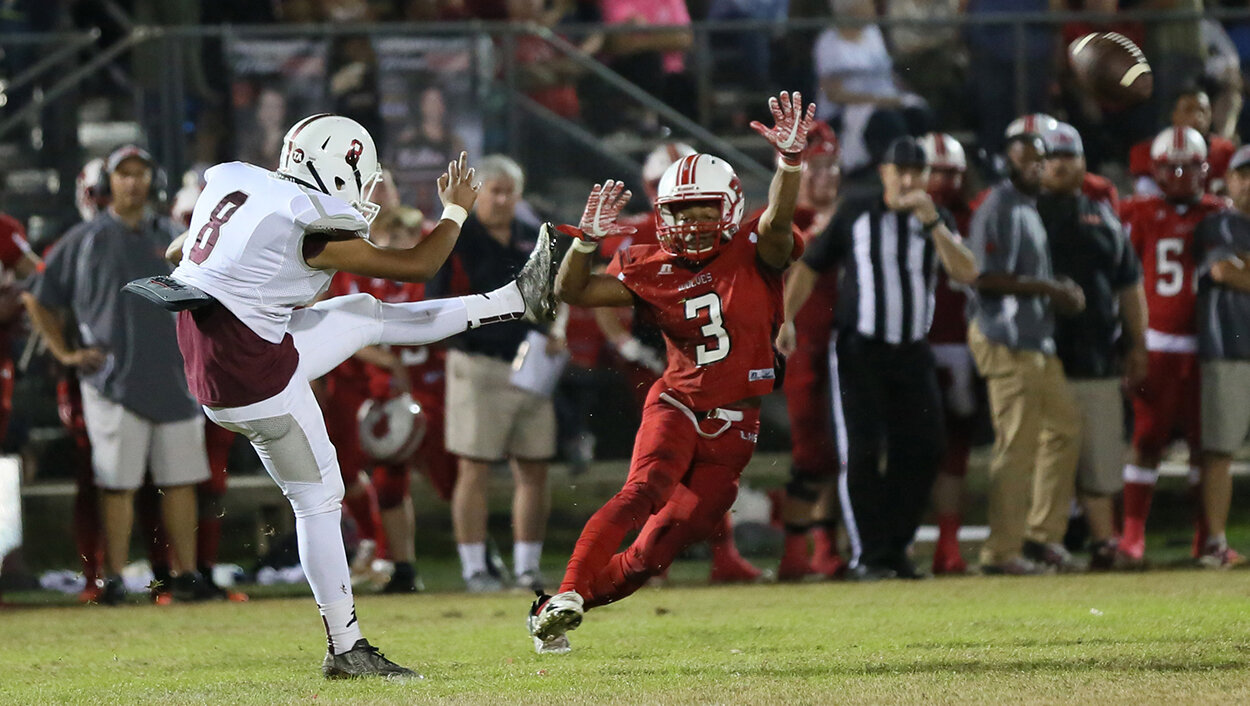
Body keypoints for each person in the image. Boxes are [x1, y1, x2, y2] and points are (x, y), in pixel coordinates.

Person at [159, 114, 558, 679]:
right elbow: (418, 265)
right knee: (319, 500)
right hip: (259, 379)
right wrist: (456, 210)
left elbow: (180, 248)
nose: (364, 187)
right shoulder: (309, 226)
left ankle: (516, 297)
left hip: (219, 367)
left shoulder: (236, 184)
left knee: (364, 314)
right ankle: (346, 647)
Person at [526, 91, 816, 654]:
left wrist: (789, 164)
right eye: (679, 211)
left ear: (730, 209)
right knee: (642, 491)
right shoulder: (650, 264)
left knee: (657, 550)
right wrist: (585, 241)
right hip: (679, 401)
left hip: (737, 422)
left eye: (703, 210)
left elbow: (780, 219)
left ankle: (560, 608)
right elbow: (572, 290)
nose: (689, 223)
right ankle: (565, 591)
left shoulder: (758, 247)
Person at [781, 136, 979, 580]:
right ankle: (869, 555)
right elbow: (811, 264)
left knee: (925, 448)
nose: (908, 178)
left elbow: (966, 272)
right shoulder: (857, 211)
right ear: (884, 173)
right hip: (860, 348)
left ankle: (896, 547)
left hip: (912, 350)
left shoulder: (935, 217)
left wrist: (934, 225)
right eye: (900, 170)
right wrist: (787, 319)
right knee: (864, 451)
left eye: (916, 171)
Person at [24, 145, 212, 605]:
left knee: (182, 480)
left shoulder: (173, 235)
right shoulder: (83, 239)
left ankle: (186, 576)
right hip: (112, 380)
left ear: (151, 181)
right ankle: (113, 578)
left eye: (140, 173)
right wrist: (65, 352)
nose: (133, 182)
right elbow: (39, 297)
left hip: (174, 376)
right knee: (116, 484)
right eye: (124, 174)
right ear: (110, 183)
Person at [592, 141, 766, 586]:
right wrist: (623, 342)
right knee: (660, 469)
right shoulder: (633, 234)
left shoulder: (725, 237)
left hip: (709, 352)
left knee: (708, 465)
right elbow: (596, 291)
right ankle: (648, 556)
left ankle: (704, 554)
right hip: (661, 353)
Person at [421, 155, 557, 595]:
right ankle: (475, 568)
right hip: (477, 364)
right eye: (493, 191)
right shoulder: (456, 238)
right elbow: (433, 301)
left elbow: (558, 293)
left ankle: (526, 568)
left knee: (534, 466)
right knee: (474, 468)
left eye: (508, 191)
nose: (500, 200)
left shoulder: (532, 237)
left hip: (531, 363)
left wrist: (557, 331)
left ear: (519, 194)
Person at [966, 132, 1086, 575]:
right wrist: (1048, 288)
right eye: (1027, 161)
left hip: (1035, 339)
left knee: (1065, 429)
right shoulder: (997, 207)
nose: (1036, 168)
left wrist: (1054, 289)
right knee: (1015, 446)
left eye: (1041, 161)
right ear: (1008, 163)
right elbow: (983, 277)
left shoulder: (1026, 207)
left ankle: (1040, 536)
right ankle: (1001, 551)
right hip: (1005, 337)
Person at [1037, 122, 1147, 570]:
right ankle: (1043, 542)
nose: (1063, 164)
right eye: (1054, 156)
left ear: (1084, 164)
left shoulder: (1103, 216)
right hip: (1043, 355)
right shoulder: (1025, 211)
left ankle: (1105, 542)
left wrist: (1137, 343)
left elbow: (1128, 286)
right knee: (1049, 456)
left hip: (1098, 355)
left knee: (1101, 458)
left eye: (1071, 156)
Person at [1117, 126, 1225, 566]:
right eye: (1170, 167)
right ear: (1156, 171)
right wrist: (1130, 341)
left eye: (1189, 166)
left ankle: (1207, 537)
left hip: (1208, 346)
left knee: (1207, 446)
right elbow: (1124, 282)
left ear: (1205, 169)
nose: (1180, 175)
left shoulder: (1221, 213)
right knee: (1147, 441)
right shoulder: (1138, 212)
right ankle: (1132, 537)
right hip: (1158, 344)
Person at [773, 121, 846, 582]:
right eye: (814, 169)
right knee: (810, 448)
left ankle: (826, 547)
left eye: (830, 168)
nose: (823, 178)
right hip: (798, 345)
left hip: (847, 342)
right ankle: (795, 551)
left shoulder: (851, 216)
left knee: (840, 450)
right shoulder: (779, 223)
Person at [917, 132, 979, 575]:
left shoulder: (972, 216)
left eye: (951, 173)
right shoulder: (891, 214)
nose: (943, 181)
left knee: (955, 447)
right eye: (936, 171)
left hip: (959, 342)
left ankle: (949, 542)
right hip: (910, 342)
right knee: (906, 448)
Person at [1189, 145, 1250, 568]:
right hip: (1228, 350)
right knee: (1220, 450)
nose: (1249, 184)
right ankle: (1214, 543)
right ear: (1227, 181)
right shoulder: (1217, 224)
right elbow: (1224, 271)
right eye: (1242, 175)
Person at [1129, 86, 1236, 196]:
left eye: (1203, 110)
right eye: (1188, 110)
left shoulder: (1224, 151)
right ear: (1173, 114)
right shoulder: (1146, 151)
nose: (1197, 117)